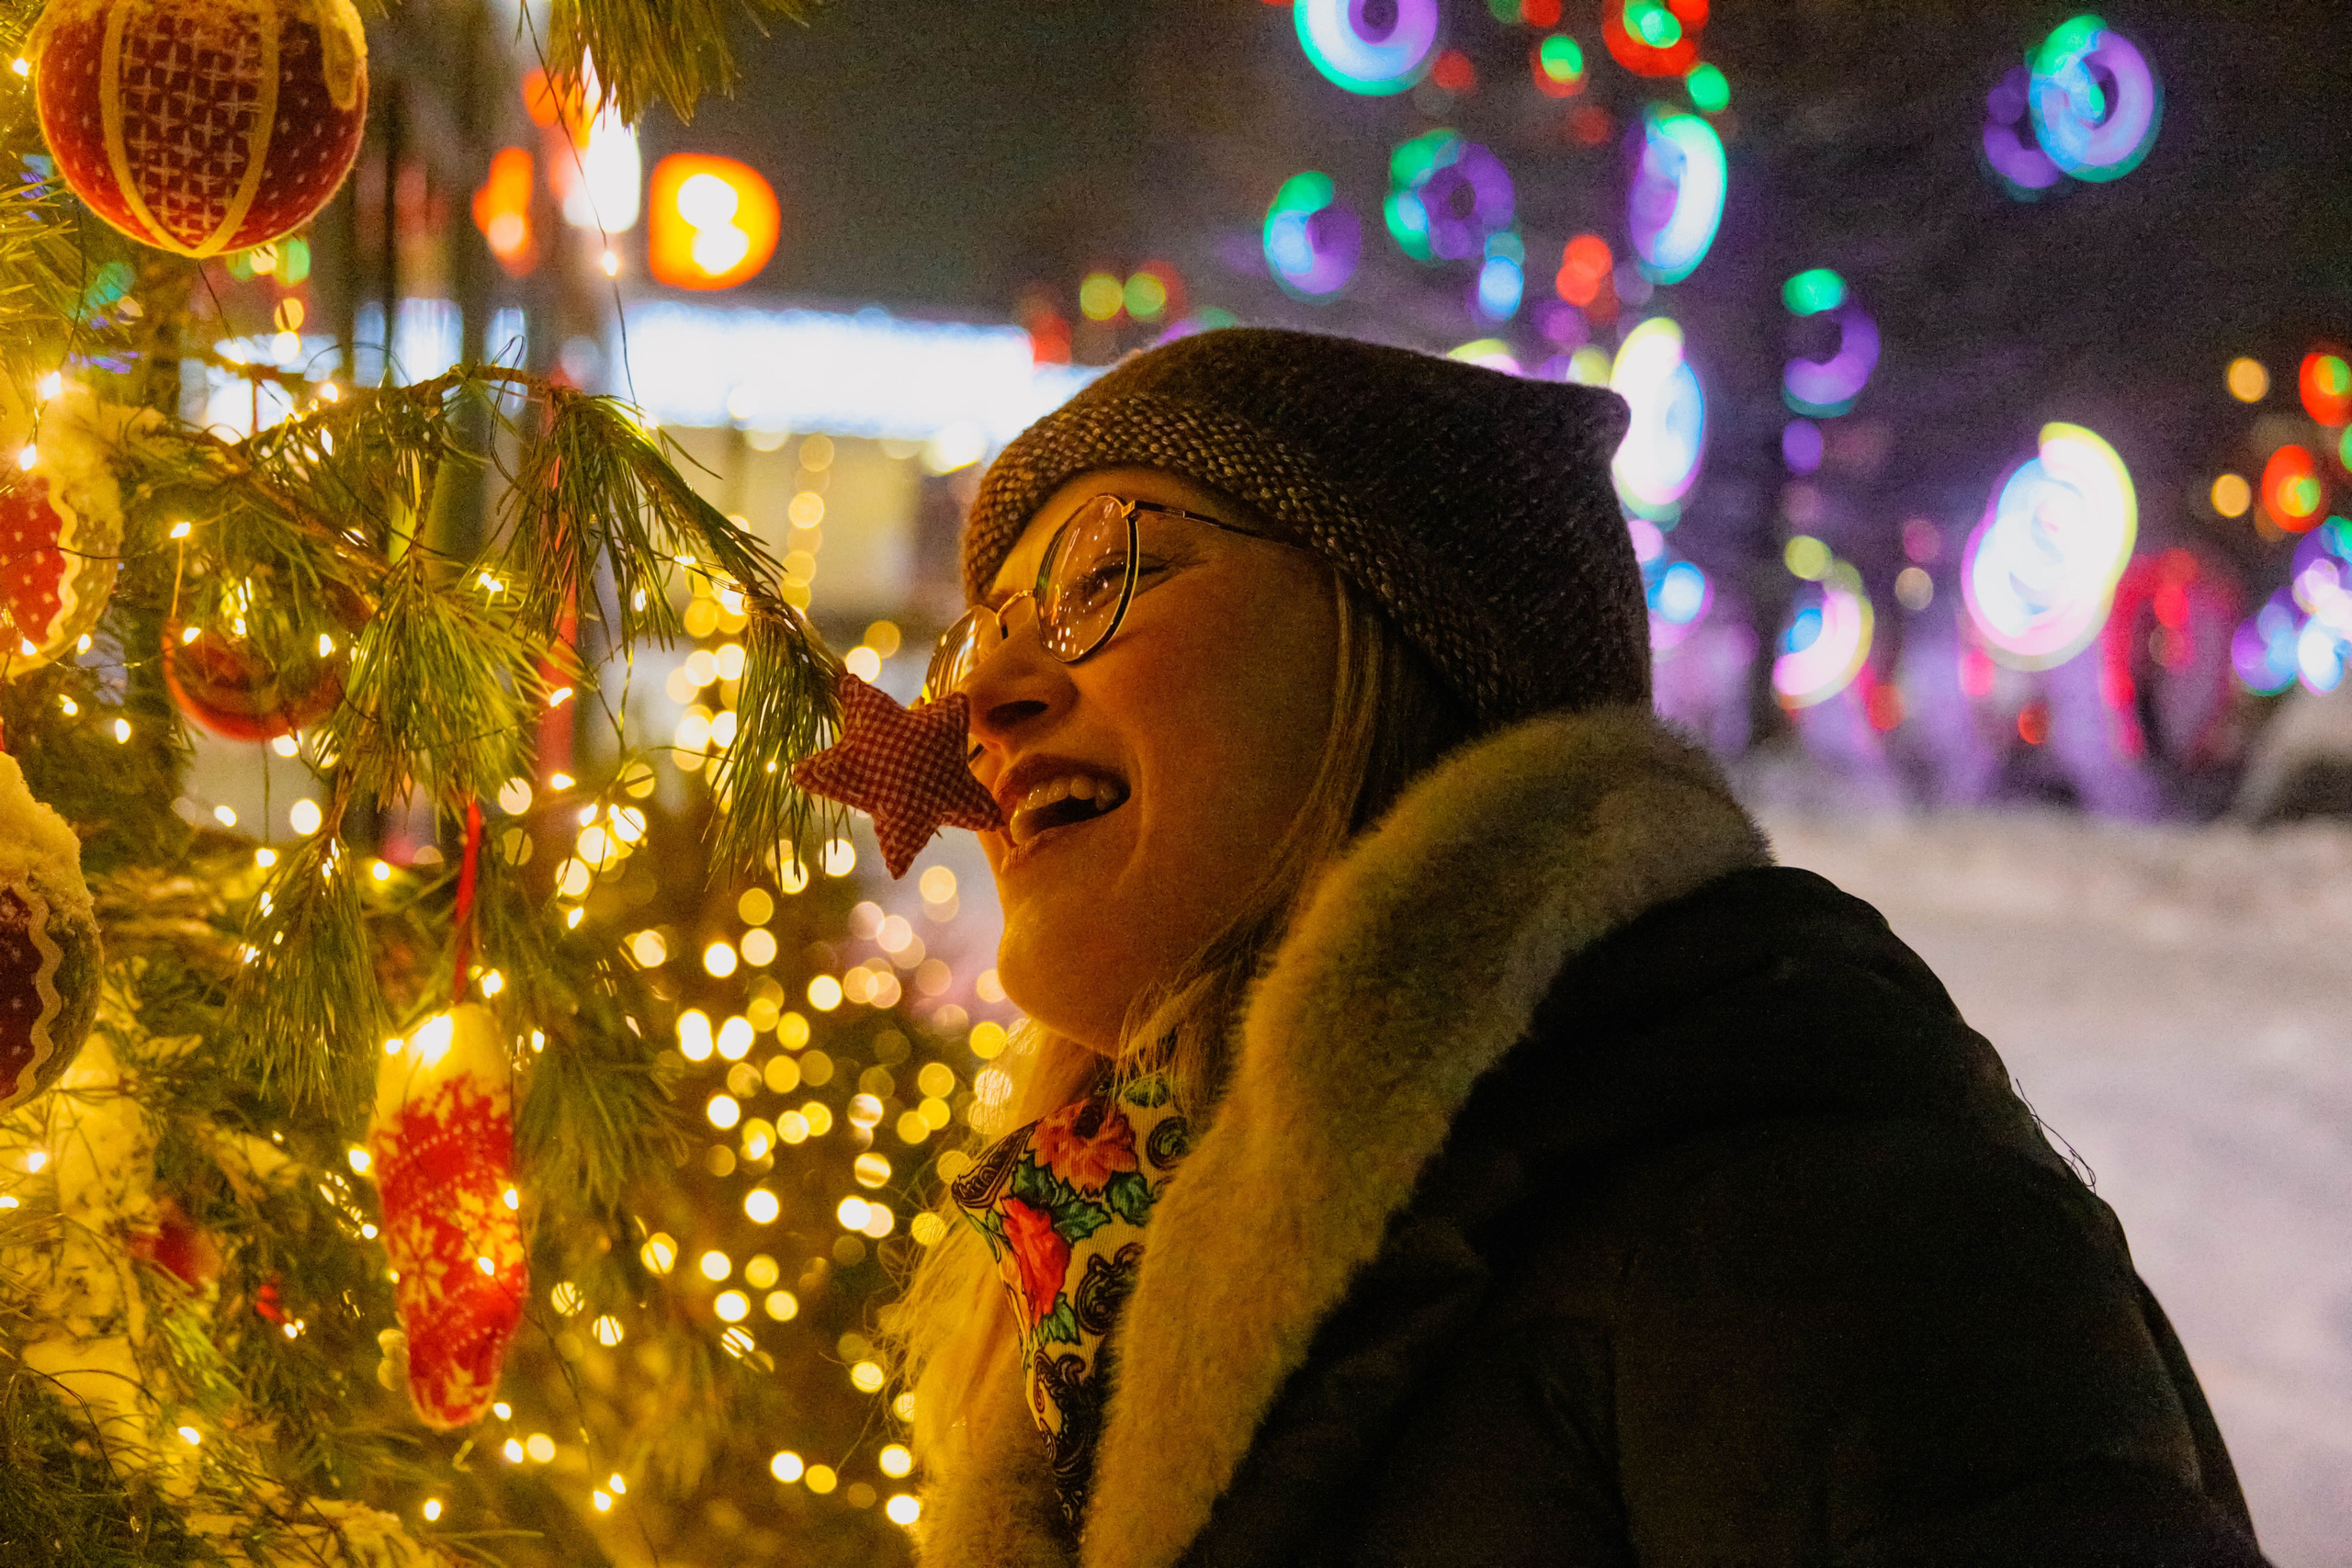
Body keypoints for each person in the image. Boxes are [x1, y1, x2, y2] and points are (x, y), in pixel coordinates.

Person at [890, 329, 2267, 1568]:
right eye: (987, 632)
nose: (986, 706)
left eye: (1103, 578)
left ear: (1397, 638)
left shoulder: (1818, 1229)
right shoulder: (1088, 1272)